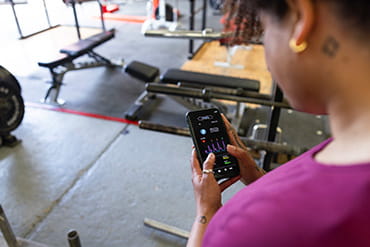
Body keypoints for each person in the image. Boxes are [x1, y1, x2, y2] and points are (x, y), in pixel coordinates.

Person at [187, 0, 370, 246]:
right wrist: (260, 179)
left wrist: (205, 212)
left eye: (265, 28)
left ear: (300, 17)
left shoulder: (252, 227)